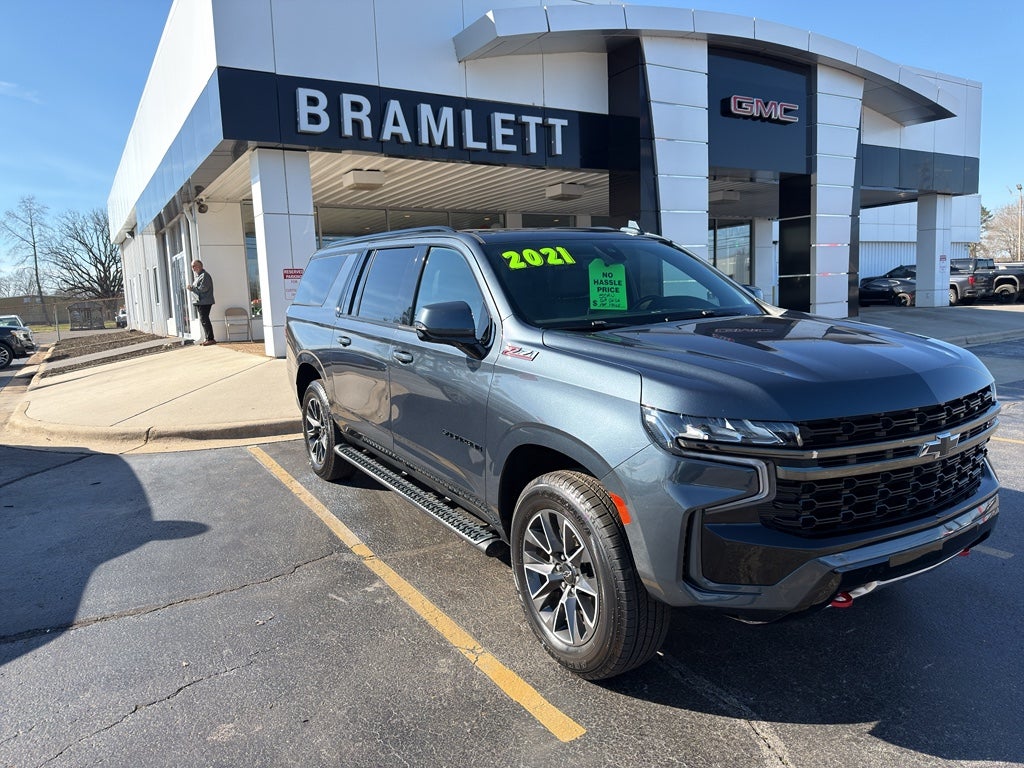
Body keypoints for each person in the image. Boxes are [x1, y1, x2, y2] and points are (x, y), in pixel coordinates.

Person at [187, 259, 217, 345]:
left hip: (205, 302)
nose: (193, 268)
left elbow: (204, 288)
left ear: (200, 266)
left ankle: (210, 339)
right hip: (201, 302)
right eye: (192, 266)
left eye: (194, 266)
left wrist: (191, 288)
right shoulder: (198, 276)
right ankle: (208, 338)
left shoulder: (204, 275)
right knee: (204, 319)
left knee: (204, 319)